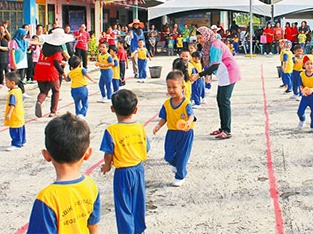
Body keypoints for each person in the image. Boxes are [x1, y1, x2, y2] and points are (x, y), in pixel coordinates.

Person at [27, 113, 100, 233]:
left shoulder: (47, 198)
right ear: (87, 153)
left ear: (46, 155)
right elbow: (93, 226)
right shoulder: (91, 185)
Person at [100, 89, 149, 233]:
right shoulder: (140, 127)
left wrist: (107, 166)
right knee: (138, 202)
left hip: (123, 172)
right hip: (138, 169)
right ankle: (139, 228)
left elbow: (108, 153)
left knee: (123, 205)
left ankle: (126, 231)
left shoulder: (111, 130)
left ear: (112, 109)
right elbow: (145, 147)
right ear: (135, 110)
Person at [196, 26, 241, 140]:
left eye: (201, 37)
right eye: (198, 38)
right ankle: (223, 128)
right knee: (220, 100)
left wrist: (199, 75)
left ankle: (227, 130)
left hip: (229, 73)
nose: (199, 40)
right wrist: (207, 75)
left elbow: (215, 65)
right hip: (223, 74)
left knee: (224, 101)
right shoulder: (210, 45)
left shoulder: (215, 45)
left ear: (206, 35)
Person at [153, 70, 195, 186]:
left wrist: (188, 122)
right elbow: (164, 117)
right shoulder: (167, 103)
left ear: (182, 87)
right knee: (168, 156)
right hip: (171, 133)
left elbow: (192, 115)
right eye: (168, 87)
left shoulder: (186, 103)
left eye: (174, 87)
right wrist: (158, 126)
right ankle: (176, 165)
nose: (171, 90)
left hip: (185, 133)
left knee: (182, 156)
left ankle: (180, 176)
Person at [34, 29, 73, 118]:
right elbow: (55, 62)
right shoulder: (57, 49)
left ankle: (39, 101)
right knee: (56, 90)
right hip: (51, 72)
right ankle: (53, 111)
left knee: (43, 91)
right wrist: (63, 74)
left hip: (40, 69)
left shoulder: (45, 46)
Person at [4, 72, 26, 151]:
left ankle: (16, 143)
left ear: (12, 82)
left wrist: (9, 113)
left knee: (14, 129)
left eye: (6, 81)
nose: (5, 83)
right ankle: (23, 141)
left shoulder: (12, 93)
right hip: (20, 112)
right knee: (21, 127)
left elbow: (12, 104)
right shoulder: (19, 90)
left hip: (14, 114)